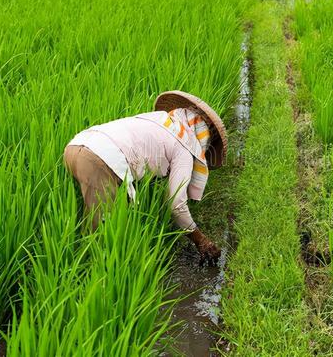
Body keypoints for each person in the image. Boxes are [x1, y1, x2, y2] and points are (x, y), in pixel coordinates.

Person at [63, 91, 226, 264]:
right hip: (99, 161)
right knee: (101, 236)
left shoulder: (158, 120)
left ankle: (84, 266)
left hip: (75, 147)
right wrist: (201, 240)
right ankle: (90, 276)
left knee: (112, 220)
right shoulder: (184, 146)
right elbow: (176, 203)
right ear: (203, 137)